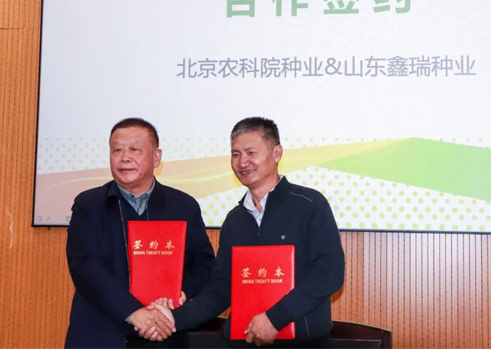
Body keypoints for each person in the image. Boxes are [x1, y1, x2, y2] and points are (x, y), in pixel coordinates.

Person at [145, 116, 345, 347]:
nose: (242, 162)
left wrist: (275, 319)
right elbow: (222, 287)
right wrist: (173, 319)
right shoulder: (234, 221)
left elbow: (329, 273)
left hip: (304, 342)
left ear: (277, 153)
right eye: (236, 154)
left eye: (251, 153)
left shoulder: (310, 204)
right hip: (244, 341)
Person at [65, 118, 215, 348]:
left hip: (165, 330)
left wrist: (180, 291)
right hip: (101, 333)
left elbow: (203, 263)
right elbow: (85, 266)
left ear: (156, 157)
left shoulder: (183, 206)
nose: (124, 157)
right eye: (117, 150)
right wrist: (134, 313)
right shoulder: (88, 205)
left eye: (134, 149)